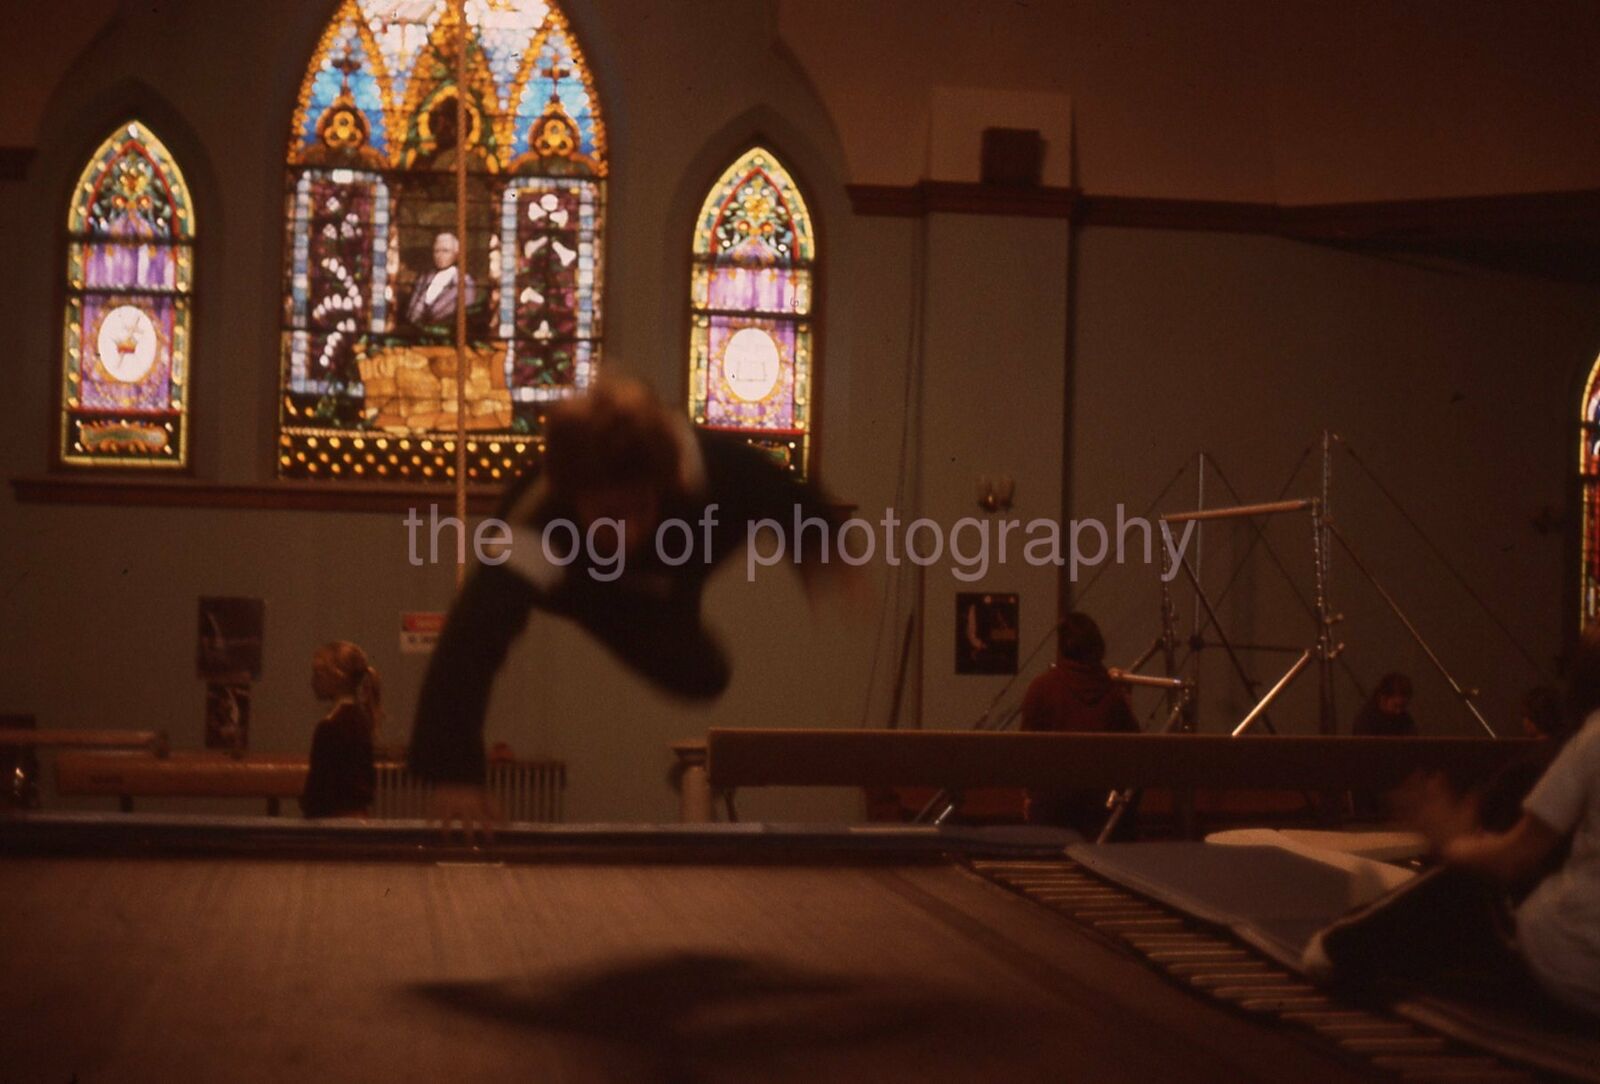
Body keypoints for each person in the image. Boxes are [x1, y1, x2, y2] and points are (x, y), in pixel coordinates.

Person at [407, 377, 848, 833]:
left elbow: (780, 489)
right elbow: (470, 641)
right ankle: (614, 562)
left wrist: (821, 549)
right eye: (608, 514)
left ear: (661, 483)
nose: (626, 532)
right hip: (581, 583)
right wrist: (455, 772)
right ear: (573, 496)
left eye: (636, 510)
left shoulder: (712, 469)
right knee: (511, 591)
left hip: (670, 565)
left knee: (704, 676)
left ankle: (643, 547)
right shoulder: (535, 522)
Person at [1305, 624, 1600, 1019]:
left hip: (1565, 964)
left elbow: (1512, 857)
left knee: (1461, 886)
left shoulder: (1593, 739)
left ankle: (1346, 941)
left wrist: (1452, 841)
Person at [1017, 612, 1139, 834]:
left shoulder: (1043, 688)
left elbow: (1026, 750)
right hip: (1101, 811)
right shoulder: (1112, 694)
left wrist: (1029, 796)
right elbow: (1133, 751)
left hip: (1051, 808)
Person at [300, 640, 381, 819]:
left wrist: (307, 810)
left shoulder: (330, 726)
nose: (312, 681)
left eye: (318, 675)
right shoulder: (361, 718)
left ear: (336, 678)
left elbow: (319, 788)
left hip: (332, 821)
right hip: (359, 818)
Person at [405, 231, 476, 328]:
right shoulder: (424, 278)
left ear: (456, 254)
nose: (440, 255)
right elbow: (413, 308)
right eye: (436, 251)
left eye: (445, 251)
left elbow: (466, 315)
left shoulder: (465, 281)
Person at [1352, 672, 1417, 736]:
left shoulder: (1406, 721)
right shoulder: (1365, 721)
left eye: (1403, 706)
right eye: (1395, 705)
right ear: (1383, 699)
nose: (1399, 711)